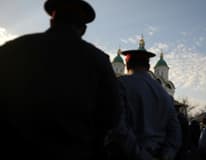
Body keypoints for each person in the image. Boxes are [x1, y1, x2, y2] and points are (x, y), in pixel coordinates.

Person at [0, 0, 121, 159]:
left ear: (52, 21)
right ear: (83, 28)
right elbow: (112, 115)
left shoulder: (12, 49)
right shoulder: (98, 60)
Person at [114, 46, 182, 160]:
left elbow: (118, 125)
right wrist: (167, 155)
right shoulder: (165, 94)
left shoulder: (121, 85)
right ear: (149, 66)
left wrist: (141, 155)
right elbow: (175, 131)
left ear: (127, 65)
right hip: (159, 153)